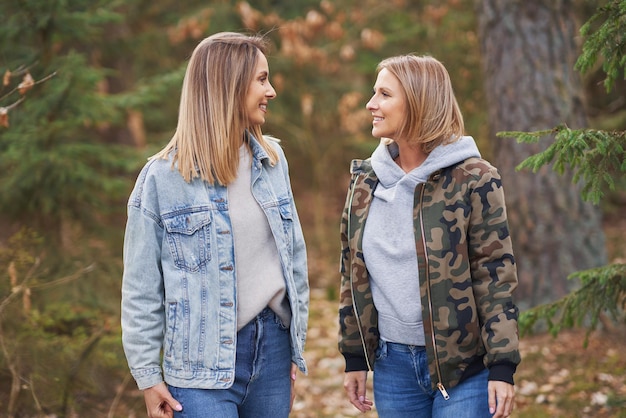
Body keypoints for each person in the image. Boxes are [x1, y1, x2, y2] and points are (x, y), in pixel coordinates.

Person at [121, 32, 308, 418]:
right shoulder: (161, 179)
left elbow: (294, 258)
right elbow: (141, 289)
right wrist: (147, 376)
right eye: (261, 80)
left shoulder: (273, 161)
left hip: (272, 351)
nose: (271, 91)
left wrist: (294, 351)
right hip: (198, 367)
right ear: (228, 85)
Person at [338, 54, 521, 418]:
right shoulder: (365, 180)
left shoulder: (474, 178)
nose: (370, 104)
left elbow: (495, 273)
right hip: (392, 367)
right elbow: (352, 272)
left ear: (419, 102)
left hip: (464, 368)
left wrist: (503, 365)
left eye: (384, 94)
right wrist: (354, 356)